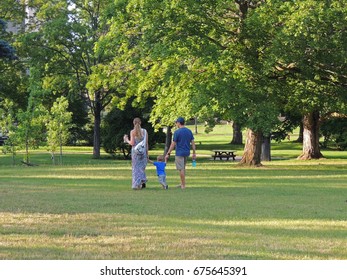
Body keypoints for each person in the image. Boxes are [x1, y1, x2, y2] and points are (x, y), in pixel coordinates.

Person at [165, 117, 196, 189]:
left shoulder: (177, 132)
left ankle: (183, 185)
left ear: (179, 123)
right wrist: (194, 152)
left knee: (181, 169)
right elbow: (193, 142)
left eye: (176, 122)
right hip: (186, 152)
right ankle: (182, 183)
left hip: (179, 153)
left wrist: (168, 153)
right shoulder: (189, 131)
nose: (176, 124)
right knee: (183, 168)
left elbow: (173, 144)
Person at [124, 117, 148, 190]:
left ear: (133, 123)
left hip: (135, 152)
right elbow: (146, 143)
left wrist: (126, 139)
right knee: (141, 168)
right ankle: (142, 182)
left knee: (135, 168)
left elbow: (132, 143)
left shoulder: (132, 132)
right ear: (140, 122)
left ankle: (136, 184)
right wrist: (147, 153)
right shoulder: (144, 131)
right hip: (143, 152)